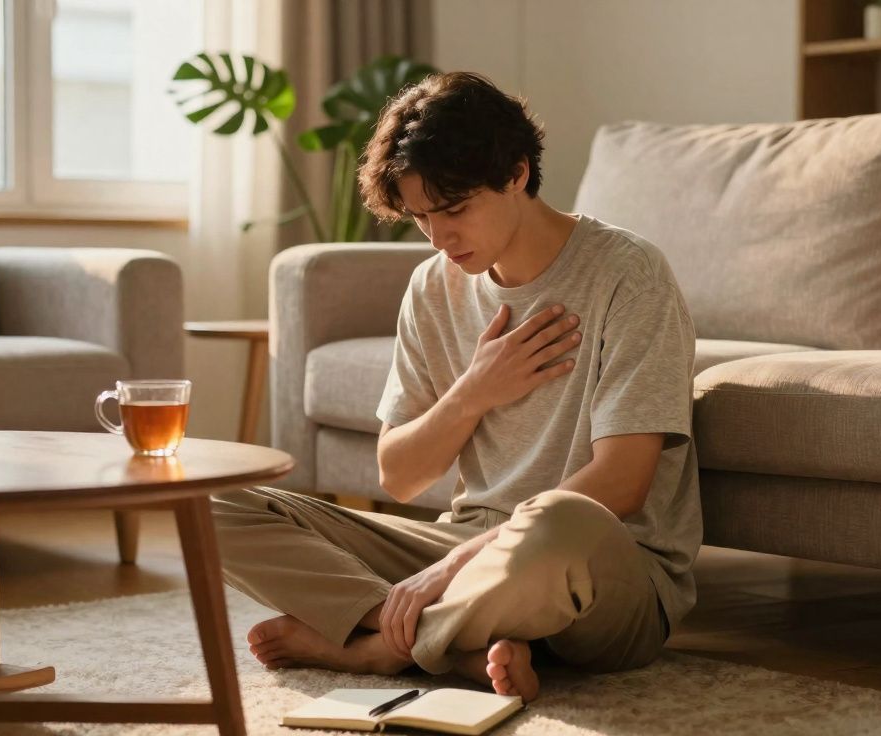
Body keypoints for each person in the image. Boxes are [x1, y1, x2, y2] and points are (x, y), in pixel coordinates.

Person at [210, 72, 701, 702]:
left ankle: (383, 646)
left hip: (603, 568)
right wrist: (475, 390)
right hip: (470, 542)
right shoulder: (432, 287)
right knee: (212, 505)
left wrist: (445, 572)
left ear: (518, 174)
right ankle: (462, 647)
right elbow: (400, 476)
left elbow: (623, 486)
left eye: (455, 210)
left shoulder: (629, 276)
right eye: (419, 218)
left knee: (560, 521)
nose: (439, 238)